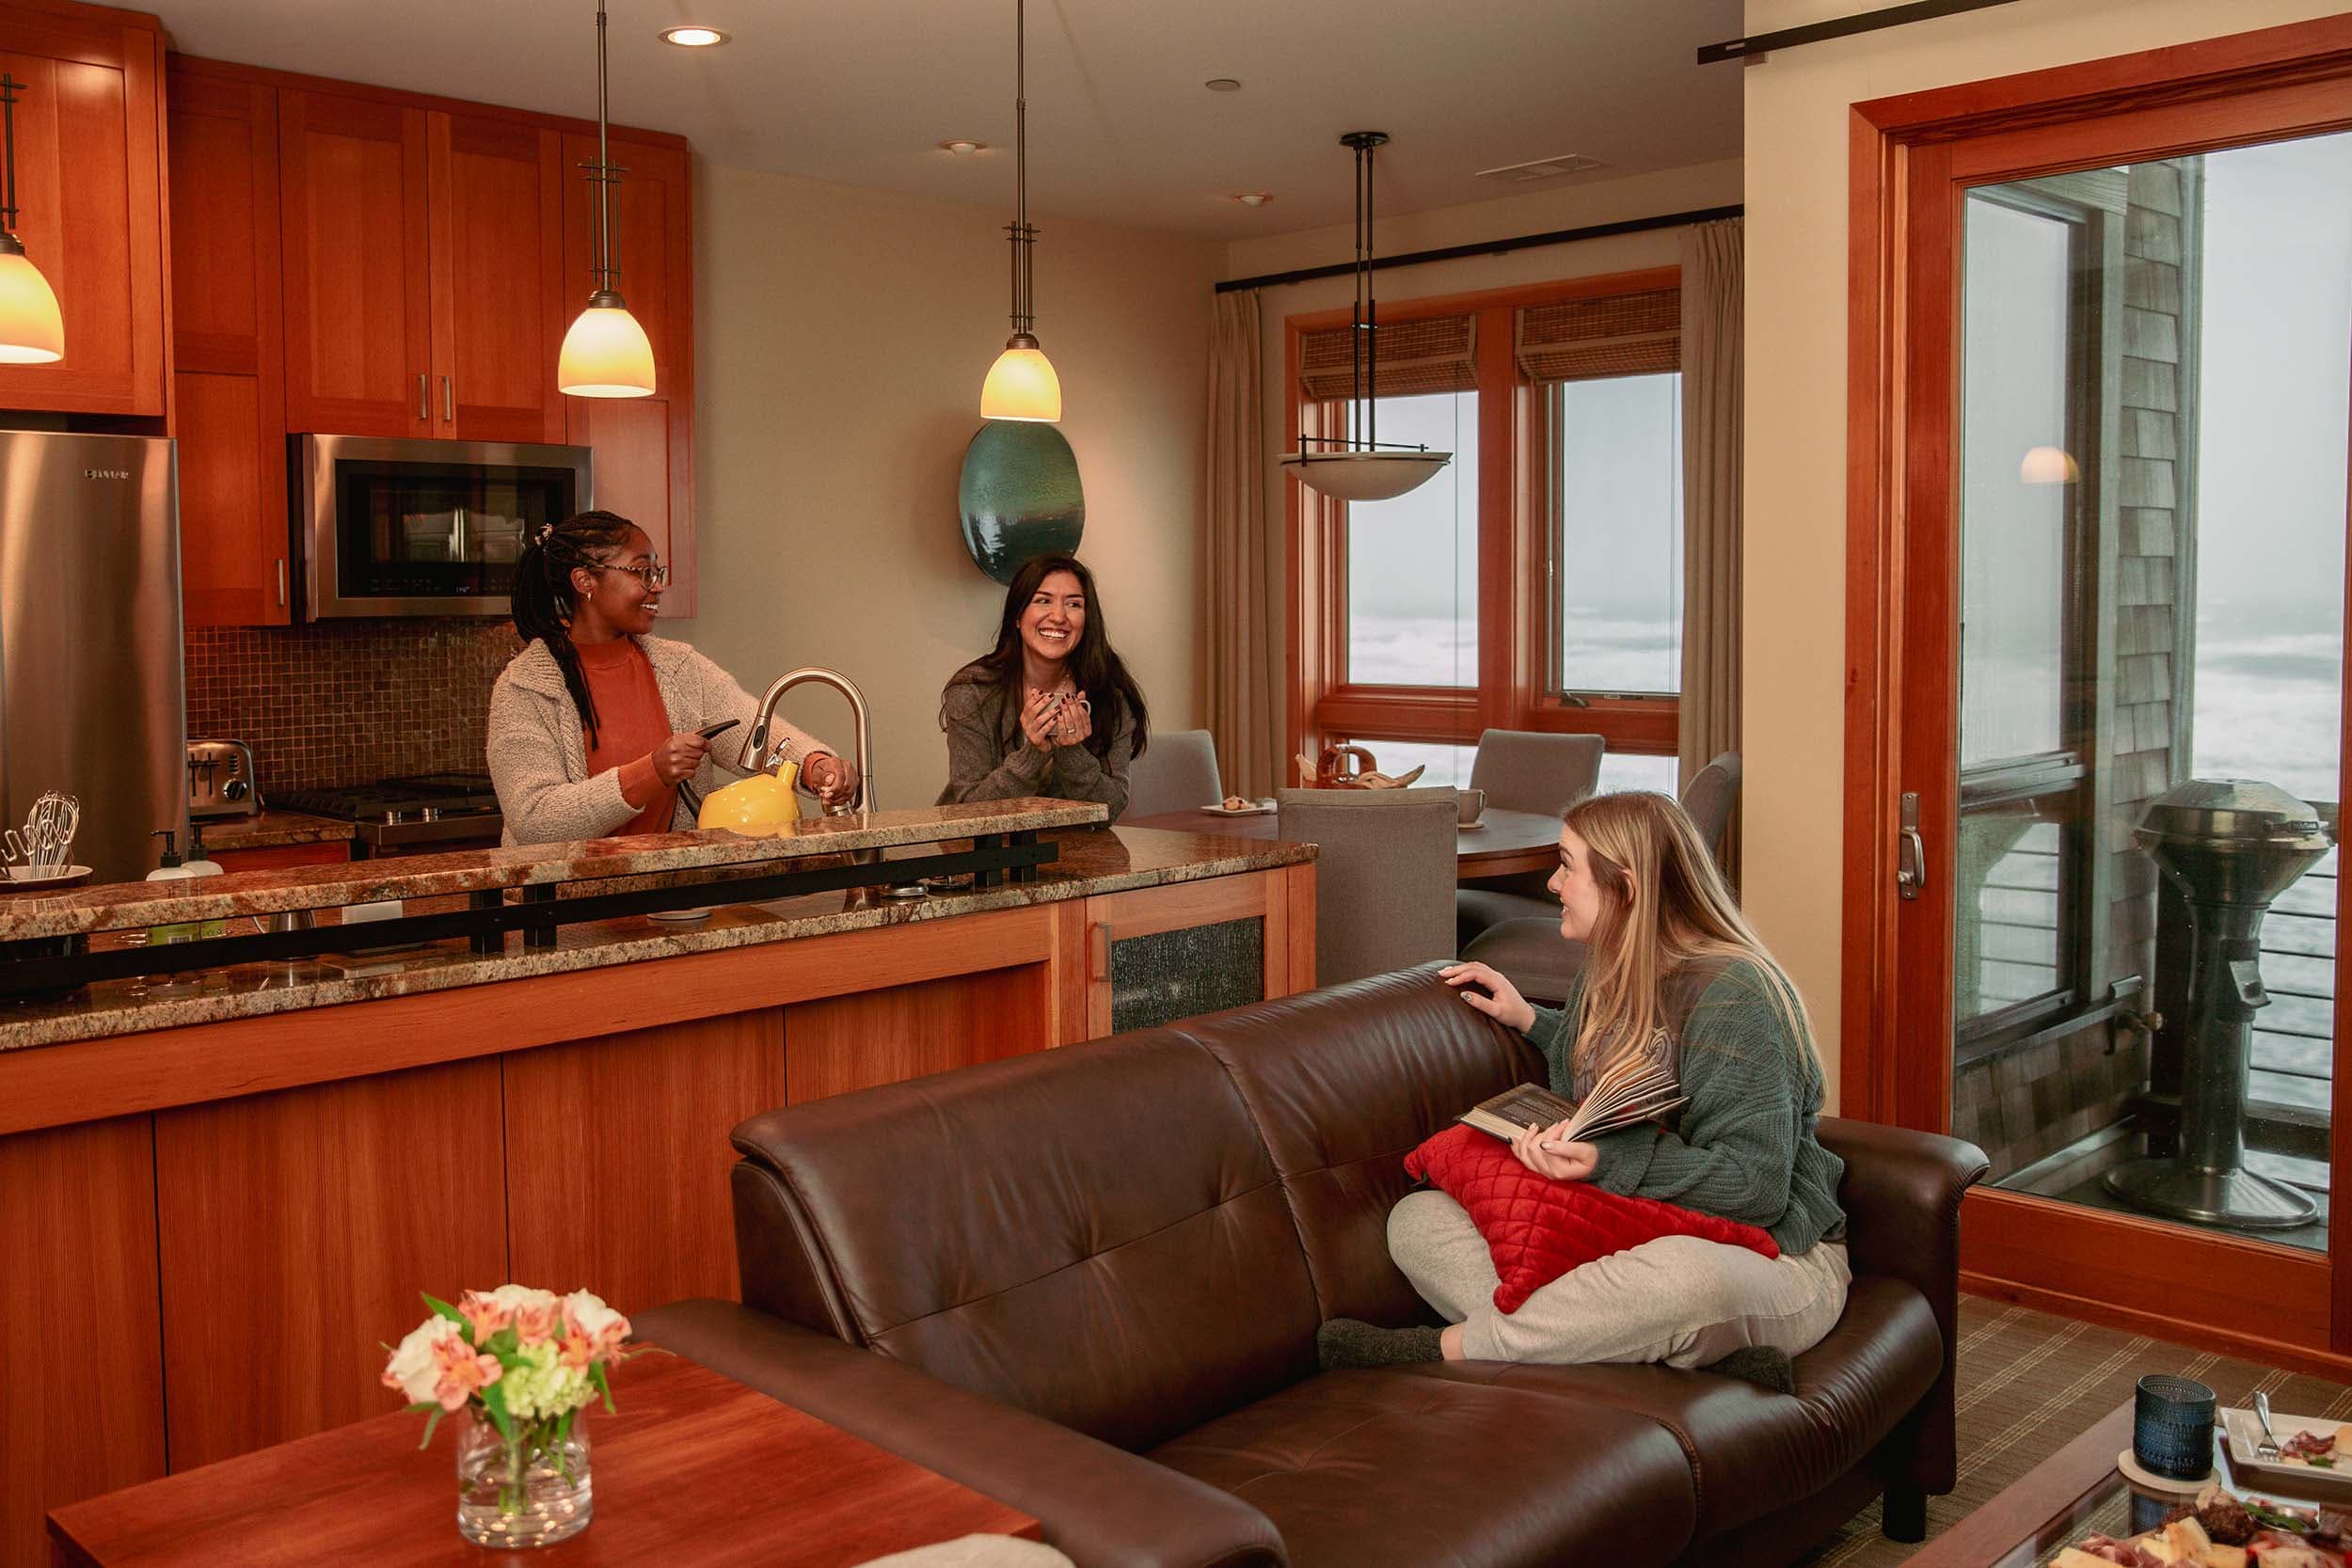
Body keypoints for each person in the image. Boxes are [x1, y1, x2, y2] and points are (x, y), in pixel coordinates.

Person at [1317, 790, 1848, 1391]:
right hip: (1629, 1228)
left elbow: (1757, 1188)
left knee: (1681, 1280)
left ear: (1624, 887)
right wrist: (1531, 1021)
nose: (1552, 884)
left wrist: (1606, 1160)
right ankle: (1658, 1347)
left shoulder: (1736, 997)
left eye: (1567, 865)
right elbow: (1618, 1080)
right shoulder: (1612, 967)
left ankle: (1443, 1349)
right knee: (1419, 1220)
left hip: (1774, 1260)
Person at [487, 510, 859, 846]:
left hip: (673, 903)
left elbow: (752, 732)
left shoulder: (679, 667)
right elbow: (535, 820)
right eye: (642, 571)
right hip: (571, 915)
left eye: (658, 572)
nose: (657, 585)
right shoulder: (525, 688)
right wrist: (650, 772)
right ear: (586, 581)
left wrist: (814, 766)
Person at [937, 554, 1150, 821]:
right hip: (977, 854)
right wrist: (1033, 754)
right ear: (1017, 616)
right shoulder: (973, 691)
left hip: (1070, 850)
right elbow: (971, 808)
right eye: (1043, 600)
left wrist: (1072, 752)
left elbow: (1111, 809)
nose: (1059, 616)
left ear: (1086, 620)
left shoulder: (1109, 695)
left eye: (1073, 604)